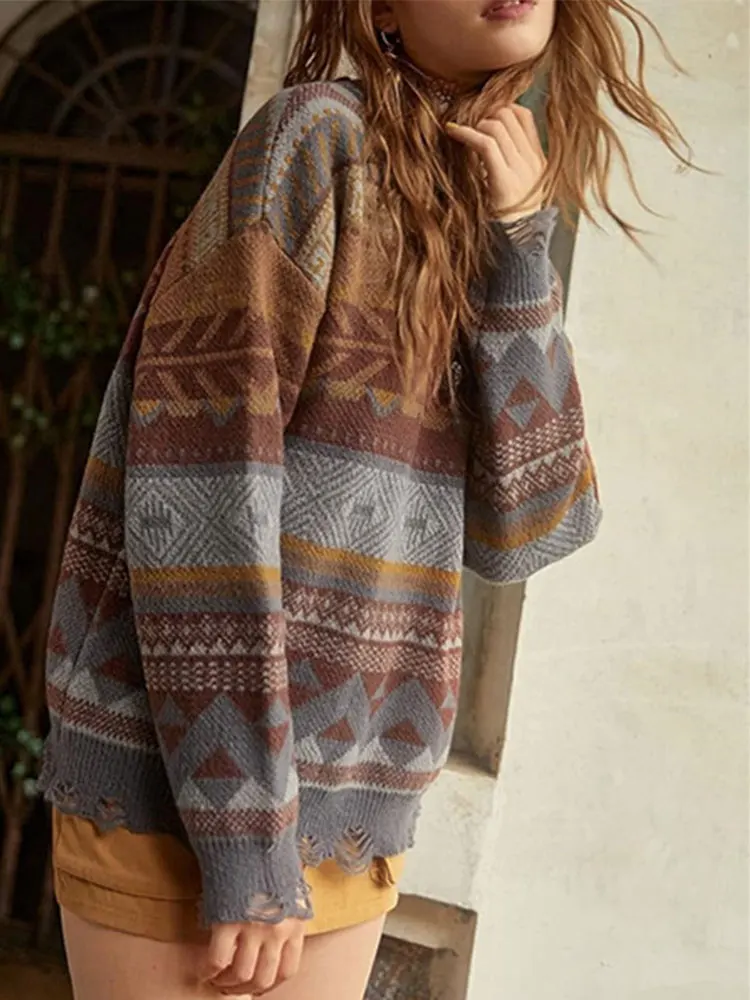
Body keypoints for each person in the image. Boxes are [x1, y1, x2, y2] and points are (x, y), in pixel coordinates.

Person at [39, 1, 688, 998]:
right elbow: (199, 494)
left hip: (353, 809)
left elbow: (533, 525)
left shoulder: (483, 204)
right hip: (178, 792)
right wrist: (247, 840)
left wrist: (521, 244)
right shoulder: (313, 142)